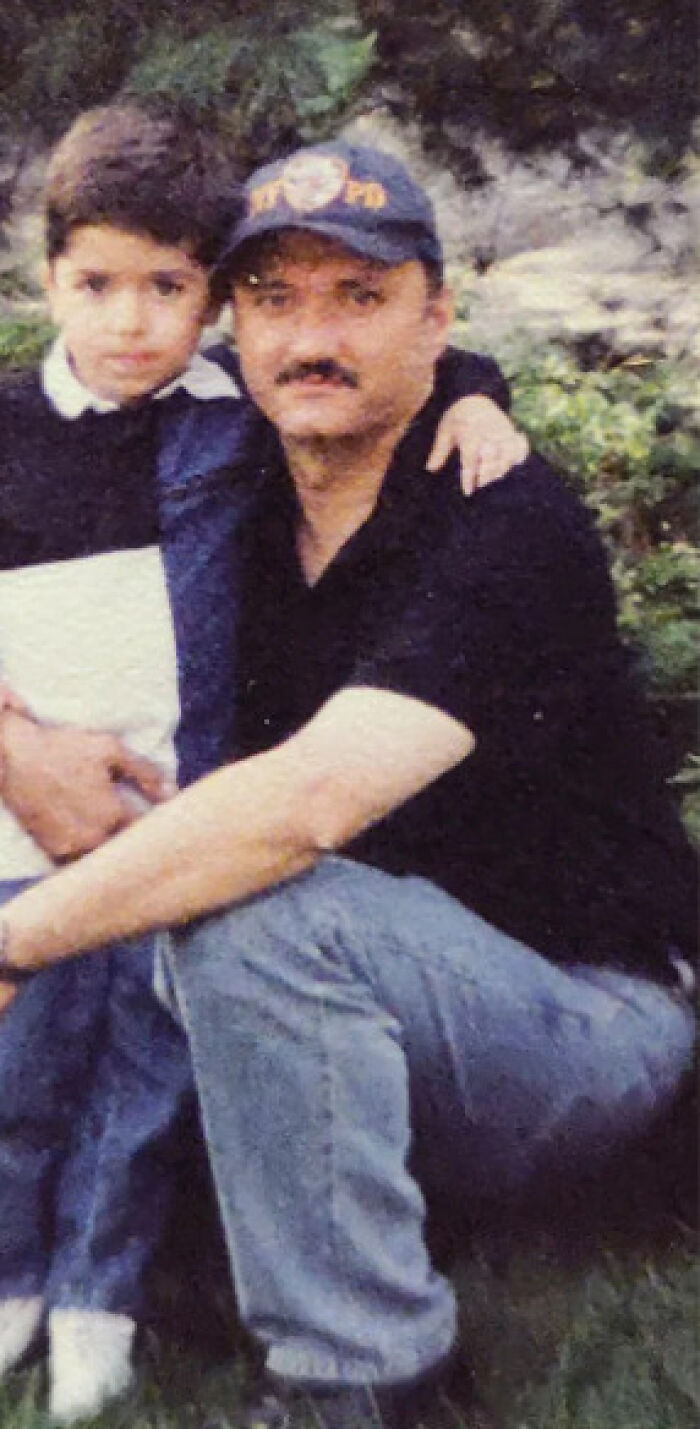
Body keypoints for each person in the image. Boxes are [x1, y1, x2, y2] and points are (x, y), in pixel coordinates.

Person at [2, 138, 693, 1429]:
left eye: (360, 298)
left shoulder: (500, 516)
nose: (311, 339)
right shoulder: (235, 484)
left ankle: (361, 1373)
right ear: (232, 323)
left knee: (249, 903)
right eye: (274, 300)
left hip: (579, 1018)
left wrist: (14, 942)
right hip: (363, 994)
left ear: (437, 316)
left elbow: (308, 804)